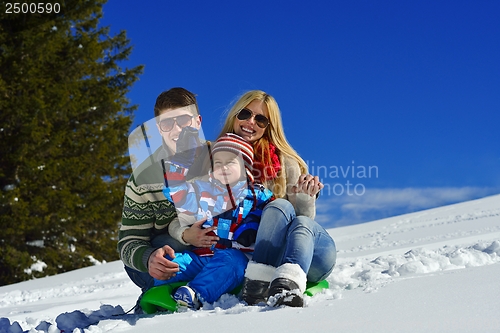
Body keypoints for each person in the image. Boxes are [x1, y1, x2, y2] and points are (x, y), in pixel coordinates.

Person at [217, 90, 337, 307]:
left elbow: (303, 222)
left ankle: (286, 281)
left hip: (305, 254)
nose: (250, 122)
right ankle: (259, 283)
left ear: (268, 127)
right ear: (234, 115)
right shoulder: (215, 159)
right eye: (245, 114)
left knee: (282, 207)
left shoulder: (285, 162)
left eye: (260, 119)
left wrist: (303, 198)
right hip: (245, 258)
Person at [117, 88, 218, 300]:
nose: (177, 130)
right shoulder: (143, 179)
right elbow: (129, 242)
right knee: (175, 245)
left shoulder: (224, 161)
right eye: (167, 123)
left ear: (198, 121)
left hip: (219, 249)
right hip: (169, 255)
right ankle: (166, 292)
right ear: (159, 129)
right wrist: (148, 258)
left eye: (183, 120)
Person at [154, 133, 274, 309]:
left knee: (234, 263)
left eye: (230, 162)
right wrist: (180, 164)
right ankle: (156, 293)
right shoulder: (203, 191)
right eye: (218, 163)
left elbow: (275, 215)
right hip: (201, 257)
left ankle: (195, 294)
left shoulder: (257, 195)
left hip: (236, 259)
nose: (223, 167)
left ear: (245, 167)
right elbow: (176, 194)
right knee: (168, 263)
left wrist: (252, 224)